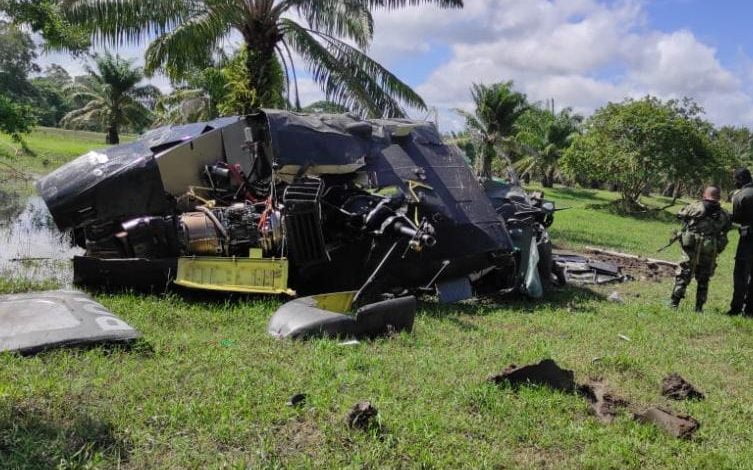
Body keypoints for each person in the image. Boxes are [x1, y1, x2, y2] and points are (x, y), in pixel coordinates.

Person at [670, 185, 730, 312]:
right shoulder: (724, 214)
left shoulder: (694, 207)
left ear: (704, 195)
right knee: (704, 278)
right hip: (710, 249)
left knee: (684, 273)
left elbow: (680, 215)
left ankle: (674, 303)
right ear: (719, 197)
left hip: (692, 247)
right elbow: (726, 229)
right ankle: (699, 307)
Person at [729, 168, 753, 315]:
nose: (735, 182)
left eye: (736, 179)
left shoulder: (742, 195)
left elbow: (737, 218)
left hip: (747, 240)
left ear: (742, 179)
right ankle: (750, 310)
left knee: (741, 275)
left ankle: (736, 308)